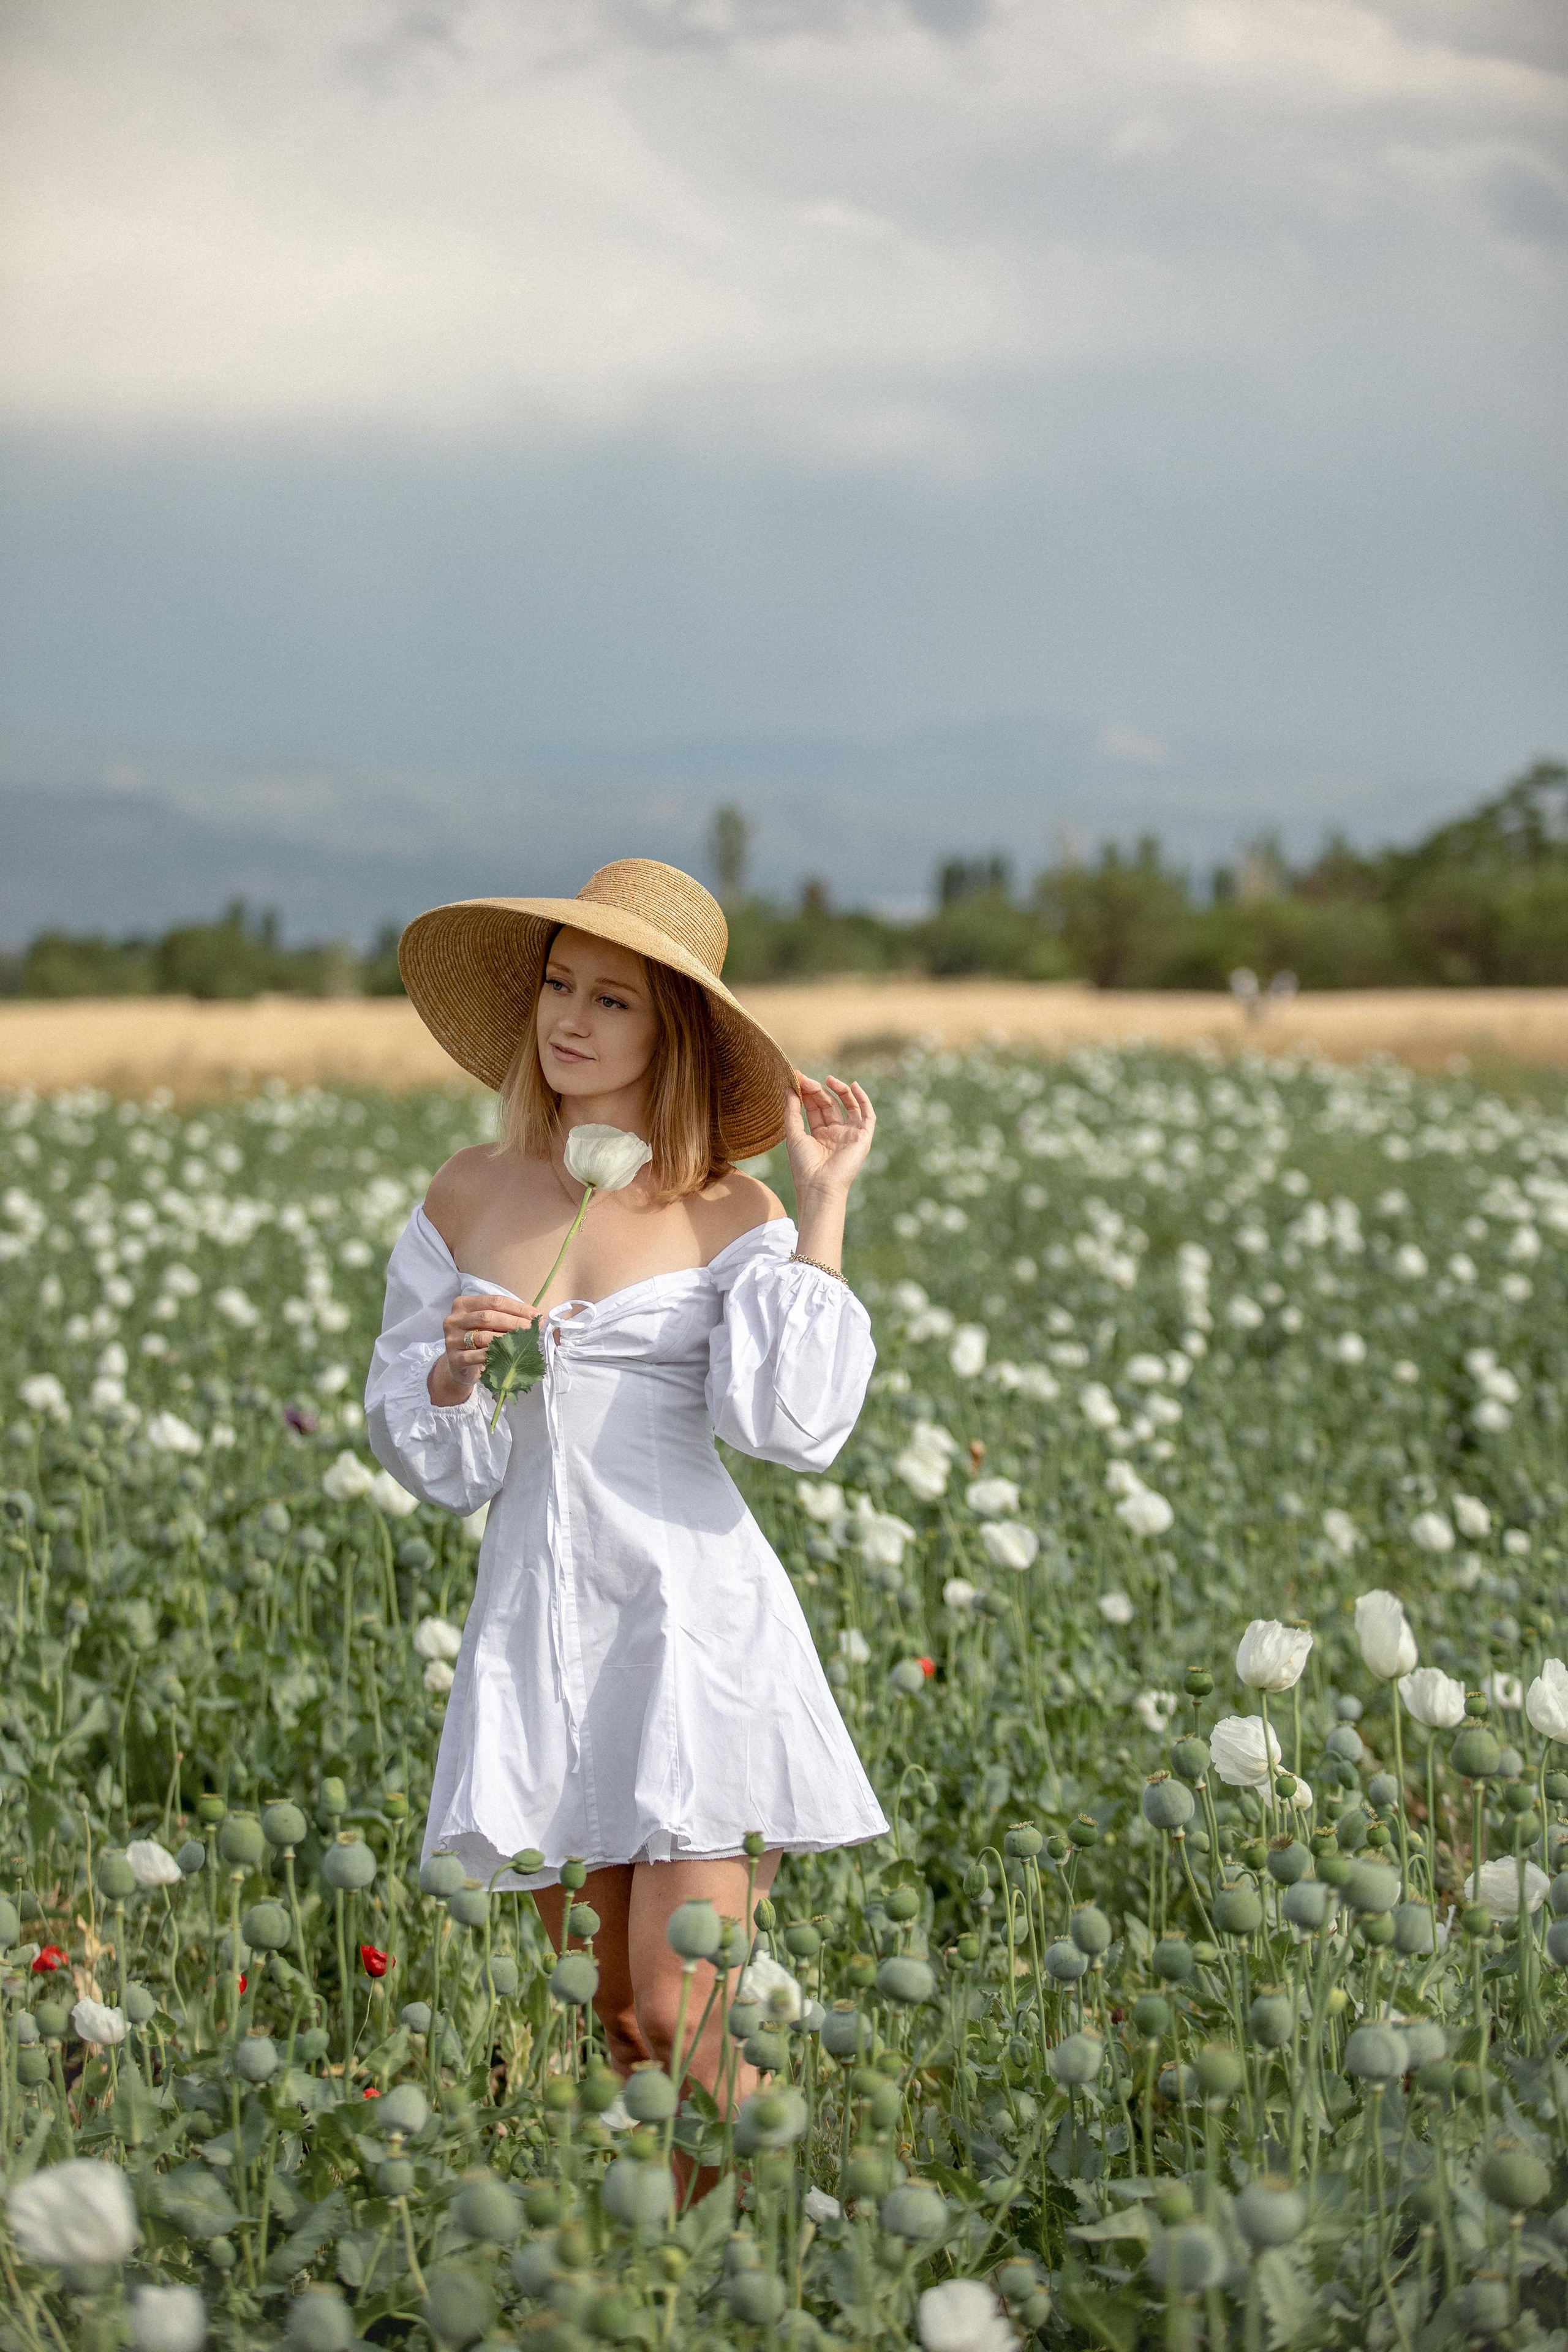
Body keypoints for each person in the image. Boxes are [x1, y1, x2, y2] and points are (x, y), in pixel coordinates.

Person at [366, 856, 888, 2117]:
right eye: (559, 986)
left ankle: (752, 2270)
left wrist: (819, 1211)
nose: (568, 1020)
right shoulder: (466, 1188)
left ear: (671, 1037)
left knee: (680, 2009)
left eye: (612, 1002)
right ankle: (694, 2281)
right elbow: (422, 1448)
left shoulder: (729, 1208)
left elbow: (789, 1425)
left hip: (691, 1626)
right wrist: (454, 1375)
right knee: (615, 2020)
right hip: (540, 1627)